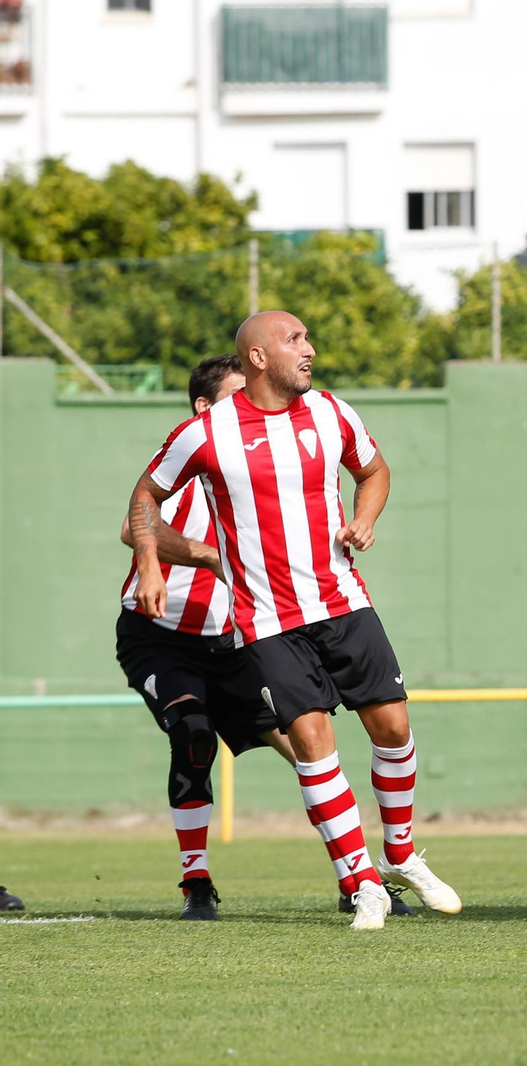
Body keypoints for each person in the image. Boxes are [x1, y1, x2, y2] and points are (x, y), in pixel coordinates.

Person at [127, 311, 460, 931]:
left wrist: (366, 517)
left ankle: (401, 854)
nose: (309, 348)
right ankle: (361, 883)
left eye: (308, 336)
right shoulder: (207, 433)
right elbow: (145, 495)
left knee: (392, 726)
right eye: (295, 340)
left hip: (343, 601)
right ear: (258, 357)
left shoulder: (332, 411)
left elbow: (374, 470)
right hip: (267, 620)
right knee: (310, 741)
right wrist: (149, 563)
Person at [113, 355, 293, 920]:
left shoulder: (265, 474)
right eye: (240, 394)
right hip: (159, 638)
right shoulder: (187, 464)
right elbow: (132, 526)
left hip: (233, 646)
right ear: (203, 408)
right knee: (194, 733)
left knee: (309, 746)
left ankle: (358, 880)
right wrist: (206, 557)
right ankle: (197, 882)